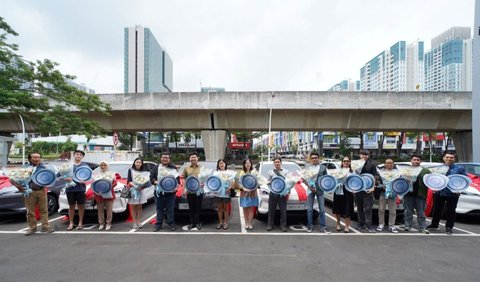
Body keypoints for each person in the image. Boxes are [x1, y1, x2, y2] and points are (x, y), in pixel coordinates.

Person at [11, 152, 54, 236]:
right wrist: (18, 187)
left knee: (44, 210)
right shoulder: (24, 168)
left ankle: (45, 227)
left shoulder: (43, 167)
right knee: (30, 211)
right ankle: (32, 228)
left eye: (38, 157)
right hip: (29, 191)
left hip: (41, 190)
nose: (37, 159)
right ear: (29, 159)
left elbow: (49, 177)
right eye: (34, 157)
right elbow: (12, 178)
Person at [427, 151, 467, 234]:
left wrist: (460, 190)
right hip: (440, 192)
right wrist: (434, 187)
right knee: (437, 209)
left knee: (451, 210)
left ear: (454, 159)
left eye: (451, 158)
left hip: (453, 193)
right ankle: (434, 225)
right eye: (447, 157)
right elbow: (434, 179)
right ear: (444, 158)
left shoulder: (459, 168)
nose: (449, 159)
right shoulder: (438, 168)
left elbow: (464, 180)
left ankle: (449, 227)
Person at [151, 152, 178, 232]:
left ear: (169, 159)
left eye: (166, 157)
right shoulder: (156, 167)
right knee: (159, 209)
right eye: (163, 157)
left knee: (170, 209)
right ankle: (158, 224)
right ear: (161, 158)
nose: (165, 159)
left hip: (171, 193)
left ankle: (171, 223)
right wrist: (157, 183)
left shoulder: (173, 168)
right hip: (159, 192)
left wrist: (174, 186)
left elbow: (177, 180)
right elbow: (152, 178)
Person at [404, 154, 431, 234]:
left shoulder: (425, 170)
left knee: (421, 212)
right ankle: (407, 225)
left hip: (421, 194)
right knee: (408, 211)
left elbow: (430, 181)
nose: (416, 161)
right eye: (414, 160)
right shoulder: (406, 170)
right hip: (408, 194)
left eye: (418, 160)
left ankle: (423, 227)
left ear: (421, 161)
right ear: (411, 160)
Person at [354, 150, 378, 233]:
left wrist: (373, 188)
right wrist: (352, 188)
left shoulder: (371, 165)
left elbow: (374, 177)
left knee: (368, 208)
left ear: (368, 156)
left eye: (366, 155)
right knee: (359, 207)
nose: (364, 156)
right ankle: (361, 223)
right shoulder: (355, 165)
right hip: (358, 189)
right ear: (359, 155)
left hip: (368, 189)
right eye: (362, 155)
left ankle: (369, 224)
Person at [305, 152, 329, 233]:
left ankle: (323, 226)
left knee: (322, 210)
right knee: (309, 210)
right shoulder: (308, 168)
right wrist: (310, 186)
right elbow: (304, 179)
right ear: (310, 159)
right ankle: (309, 226)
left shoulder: (323, 168)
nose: (314, 159)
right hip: (310, 190)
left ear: (318, 158)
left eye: (316, 157)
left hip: (320, 190)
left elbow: (326, 179)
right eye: (313, 158)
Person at [66, 150, 88, 231]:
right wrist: (65, 179)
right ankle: (71, 223)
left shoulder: (85, 165)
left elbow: (89, 176)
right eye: (77, 154)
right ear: (74, 155)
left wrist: (85, 180)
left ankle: (80, 223)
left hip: (80, 189)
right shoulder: (68, 165)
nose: (78, 156)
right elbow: (60, 175)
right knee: (71, 206)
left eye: (80, 155)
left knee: (81, 206)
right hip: (70, 189)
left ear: (82, 157)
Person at [127, 157, 151, 229]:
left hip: (141, 190)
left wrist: (142, 187)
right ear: (134, 163)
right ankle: (134, 222)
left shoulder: (144, 172)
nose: (138, 164)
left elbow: (147, 181)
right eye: (137, 162)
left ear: (141, 164)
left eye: (139, 162)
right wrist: (135, 186)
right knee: (133, 207)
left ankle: (139, 221)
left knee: (140, 207)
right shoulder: (130, 170)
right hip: (134, 191)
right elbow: (129, 180)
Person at [332, 156, 355, 233]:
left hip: (348, 191)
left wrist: (354, 190)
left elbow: (355, 182)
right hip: (338, 190)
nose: (346, 162)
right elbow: (333, 180)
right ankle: (338, 224)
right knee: (338, 208)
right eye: (344, 161)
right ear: (342, 162)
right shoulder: (338, 171)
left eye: (347, 161)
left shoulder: (352, 172)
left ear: (350, 162)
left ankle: (347, 226)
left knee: (348, 209)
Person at [92, 161, 117, 231]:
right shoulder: (96, 175)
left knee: (109, 211)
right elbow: (93, 185)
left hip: (109, 195)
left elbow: (115, 183)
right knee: (100, 211)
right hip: (99, 195)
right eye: (101, 165)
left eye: (105, 165)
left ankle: (108, 223)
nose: (103, 167)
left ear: (107, 166)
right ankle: (101, 224)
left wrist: (108, 188)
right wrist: (97, 191)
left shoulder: (111, 174)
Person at [182, 152, 203, 230]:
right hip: (189, 191)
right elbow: (183, 178)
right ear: (189, 159)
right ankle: (192, 223)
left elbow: (204, 178)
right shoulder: (186, 168)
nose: (193, 159)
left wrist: (202, 183)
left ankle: (197, 222)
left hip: (199, 191)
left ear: (198, 158)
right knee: (191, 208)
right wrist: (185, 189)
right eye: (191, 157)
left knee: (198, 207)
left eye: (194, 157)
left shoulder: (202, 167)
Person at [266, 157, 289, 232]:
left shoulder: (286, 171)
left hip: (282, 194)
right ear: (274, 163)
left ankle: (283, 225)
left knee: (283, 210)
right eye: (275, 162)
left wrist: (287, 191)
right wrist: (270, 183)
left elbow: (288, 183)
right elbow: (268, 182)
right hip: (273, 193)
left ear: (281, 163)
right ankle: (270, 225)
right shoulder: (270, 172)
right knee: (271, 210)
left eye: (278, 162)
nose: (277, 163)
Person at [376, 159, 398, 233]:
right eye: (387, 163)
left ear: (393, 164)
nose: (389, 164)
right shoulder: (380, 173)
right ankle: (381, 224)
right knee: (381, 210)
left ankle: (391, 225)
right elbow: (377, 183)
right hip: (383, 193)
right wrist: (382, 186)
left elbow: (399, 182)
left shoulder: (397, 173)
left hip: (393, 194)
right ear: (385, 164)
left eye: (391, 163)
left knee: (393, 211)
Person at [238, 159, 259, 230]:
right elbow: (240, 183)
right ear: (244, 164)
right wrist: (244, 189)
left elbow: (258, 181)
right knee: (245, 208)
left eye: (249, 163)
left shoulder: (254, 172)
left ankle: (250, 223)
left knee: (251, 208)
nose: (247, 164)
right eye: (246, 163)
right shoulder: (242, 172)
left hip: (253, 193)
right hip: (244, 193)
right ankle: (246, 223)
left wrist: (253, 188)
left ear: (251, 164)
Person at [214, 159, 233, 230]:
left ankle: (225, 223)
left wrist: (229, 188)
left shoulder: (229, 172)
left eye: (222, 163)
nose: (221, 165)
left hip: (226, 193)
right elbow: (213, 182)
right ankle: (220, 222)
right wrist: (214, 189)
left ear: (225, 164)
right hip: (218, 193)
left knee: (226, 209)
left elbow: (232, 182)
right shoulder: (215, 173)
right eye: (220, 164)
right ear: (218, 165)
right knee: (219, 209)